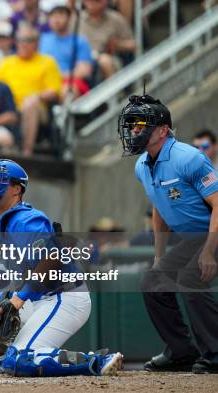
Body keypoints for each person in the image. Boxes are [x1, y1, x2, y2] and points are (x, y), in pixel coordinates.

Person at [0, 158, 123, 376]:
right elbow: (9, 264)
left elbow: (52, 258)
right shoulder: (4, 222)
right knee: (1, 303)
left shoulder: (26, 220)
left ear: (16, 189)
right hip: (40, 299)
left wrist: (19, 298)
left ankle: (96, 361)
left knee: (21, 361)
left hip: (64, 298)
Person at [118, 94, 218, 373]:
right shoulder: (141, 165)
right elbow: (159, 207)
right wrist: (159, 256)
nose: (135, 131)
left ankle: (216, 351)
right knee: (153, 280)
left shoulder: (188, 157)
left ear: (162, 130)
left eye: (141, 125)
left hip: (212, 234)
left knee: (189, 277)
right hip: (193, 239)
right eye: (133, 126)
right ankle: (181, 352)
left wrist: (209, 251)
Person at [0, 24, 62, 156]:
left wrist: (36, 97)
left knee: (29, 104)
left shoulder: (47, 62)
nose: (24, 44)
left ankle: (26, 152)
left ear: (37, 42)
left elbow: (54, 91)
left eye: (29, 40)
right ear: (16, 42)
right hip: (11, 107)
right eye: (21, 40)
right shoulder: (6, 63)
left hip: (39, 108)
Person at [39, 3, 93, 98]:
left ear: (69, 18)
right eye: (52, 15)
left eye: (60, 14)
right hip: (43, 83)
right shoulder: (41, 39)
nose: (56, 19)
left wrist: (56, 76)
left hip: (68, 82)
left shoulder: (80, 40)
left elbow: (84, 71)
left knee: (67, 91)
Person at [78, 0, 135, 79]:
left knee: (105, 61)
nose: (92, 2)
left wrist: (119, 44)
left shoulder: (115, 18)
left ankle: (116, 91)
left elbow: (134, 44)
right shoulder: (76, 20)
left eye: (97, 1)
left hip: (109, 56)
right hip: (83, 59)